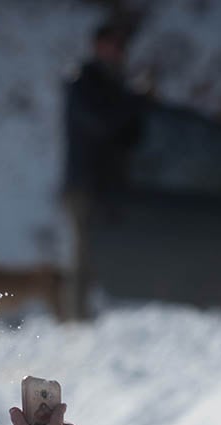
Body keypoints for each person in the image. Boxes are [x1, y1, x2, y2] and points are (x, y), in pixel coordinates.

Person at [61, 20, 148, 319]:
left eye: (122, 47)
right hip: (85, 182)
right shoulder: (84, 81)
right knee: (84, 254)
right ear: (98, 46)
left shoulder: (115, 83)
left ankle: (92, 315)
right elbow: (101, 124)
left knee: (104, 252)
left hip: (110, 185)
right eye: (114, 45)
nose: (119, 52)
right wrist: (132, 103)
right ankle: (75, 317)